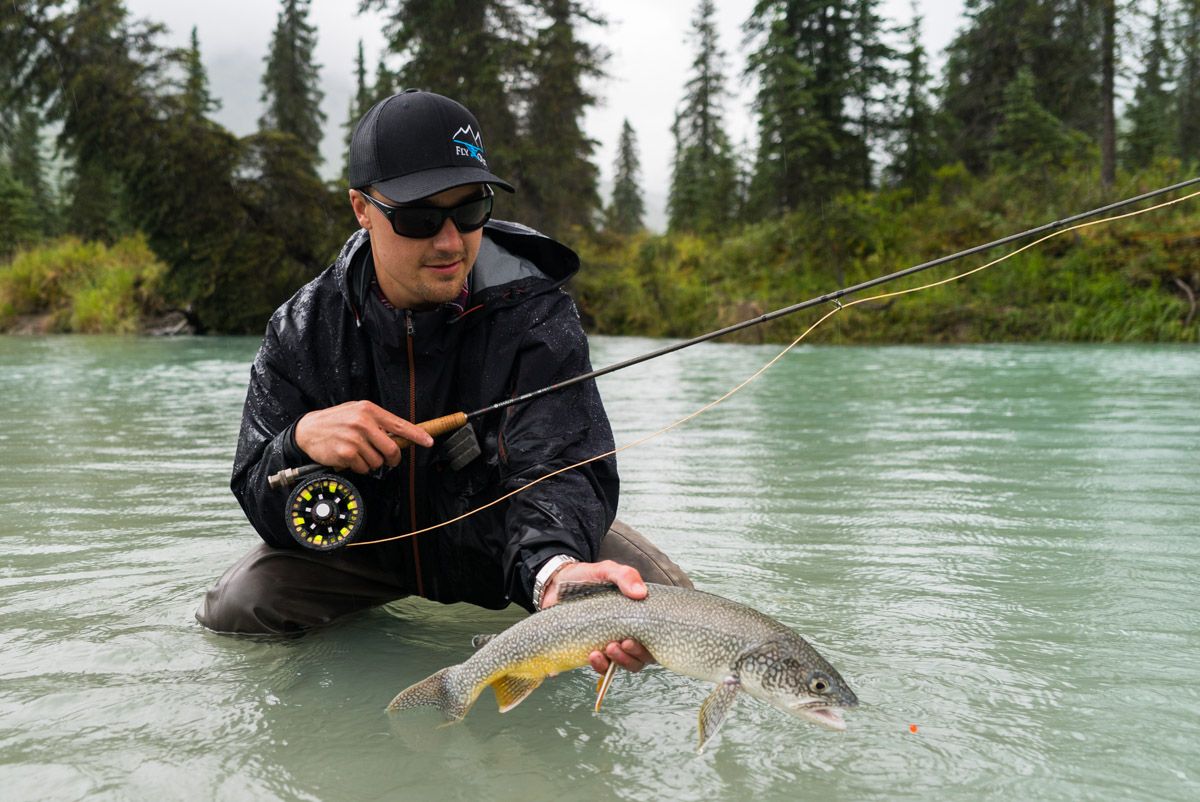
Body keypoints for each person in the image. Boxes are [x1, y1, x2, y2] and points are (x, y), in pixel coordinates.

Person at [196, 89, 692, 676]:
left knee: (667, 610)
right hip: (369, 552)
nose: (451, 241)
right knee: (240, 606)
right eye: (419, 218)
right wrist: (297, 443)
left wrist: (555, 572)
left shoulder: (536, 315)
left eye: (471, 209)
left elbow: (561, 465)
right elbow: (257, 487)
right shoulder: (301, 329)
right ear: (361, 208)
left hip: (514, 545)